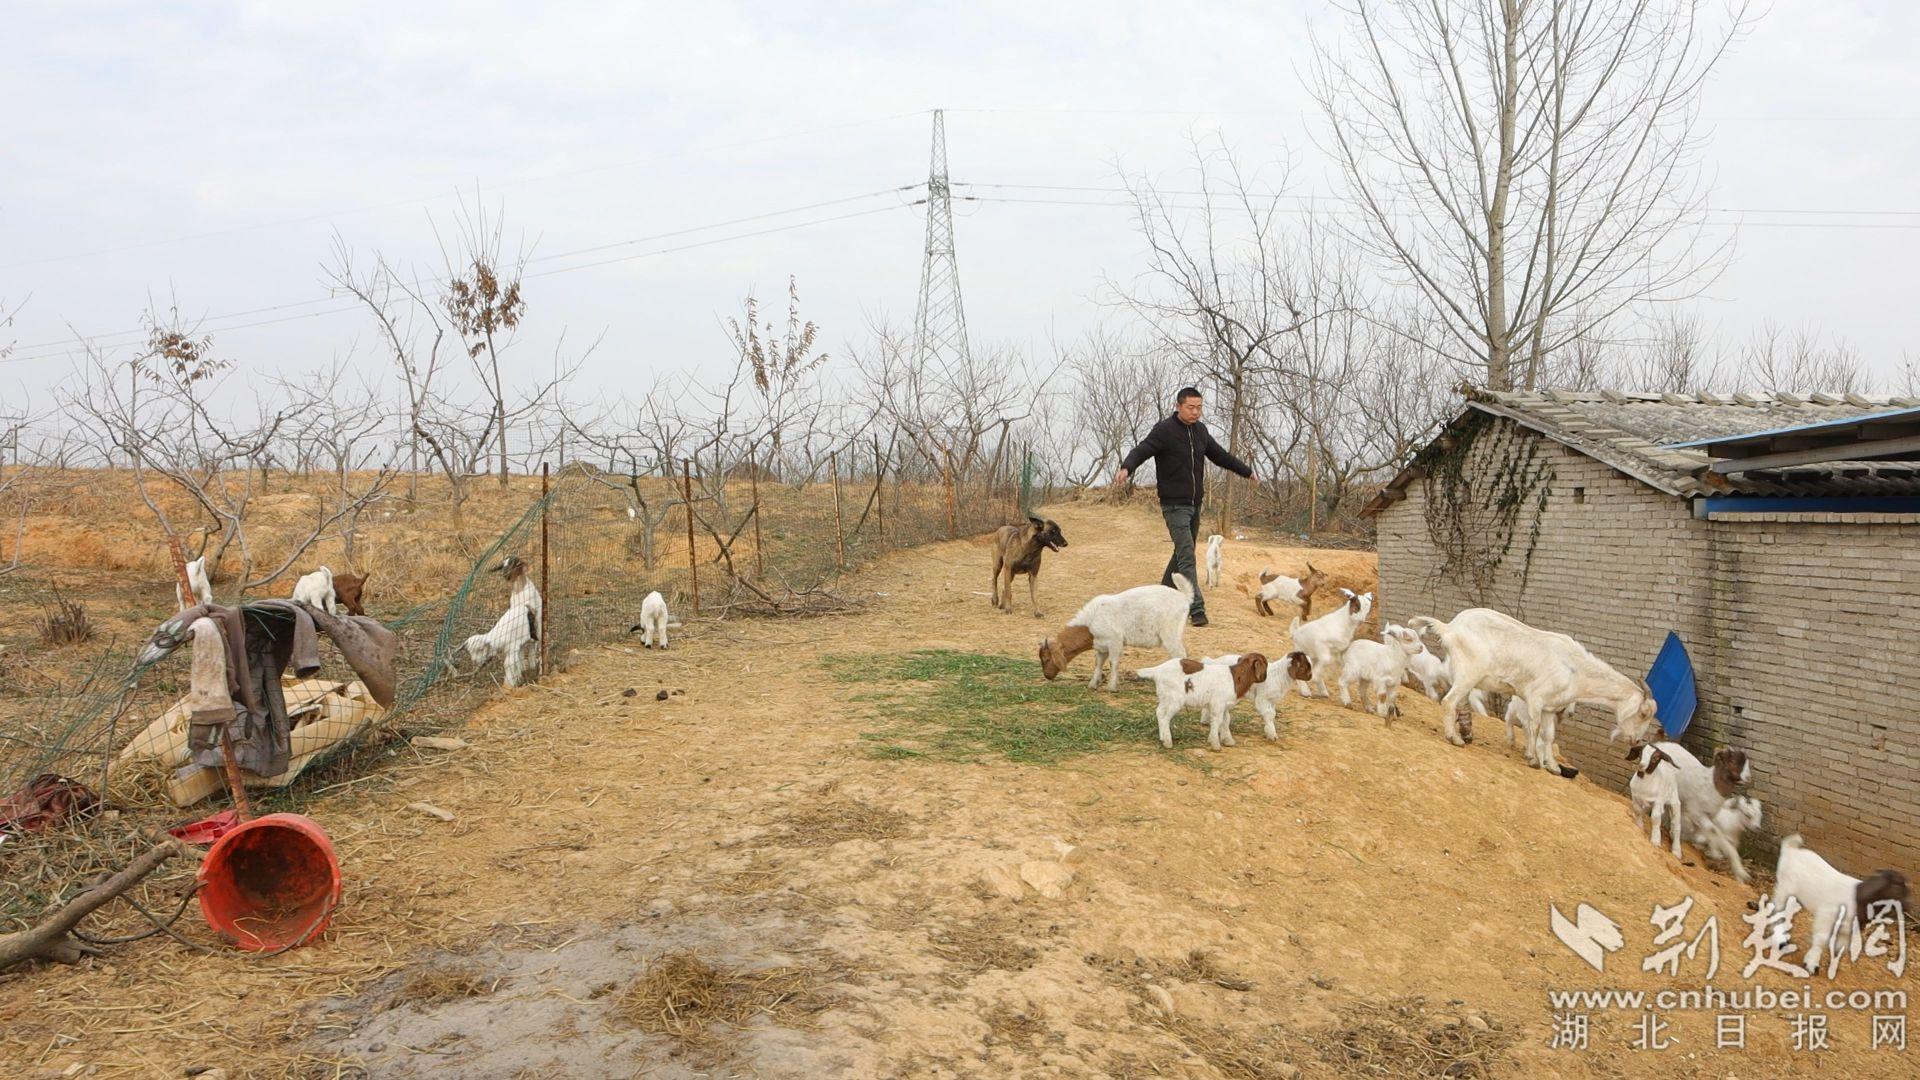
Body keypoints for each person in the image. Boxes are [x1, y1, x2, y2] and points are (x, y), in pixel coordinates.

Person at [1114, 387, 1254, 627]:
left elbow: (1220, 455)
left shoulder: (1200, 432)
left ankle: (1159, 599)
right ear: (1178, 406)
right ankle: (1196, 608)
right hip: (1174, 504)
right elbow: (1143, 449)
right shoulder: (1164, 431)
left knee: (1181, 554)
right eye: (1191, 407)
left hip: (1194, 503)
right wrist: (1127, 467)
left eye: (1199, 407)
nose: (1196, 412)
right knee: (1187, 555)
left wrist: (1247, 471)